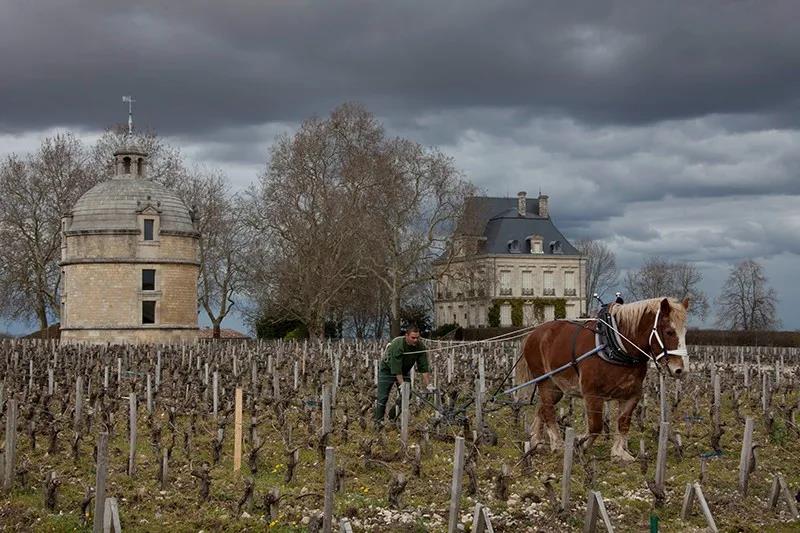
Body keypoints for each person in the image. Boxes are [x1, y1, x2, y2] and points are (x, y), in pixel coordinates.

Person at [374, 325, 433, 427]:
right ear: (406, 336)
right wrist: (402, 385)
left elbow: (423, 367)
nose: (416, 340)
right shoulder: (398, 344)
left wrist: (429, 385)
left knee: (407, 395)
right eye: (413, 338)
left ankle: (392, 416)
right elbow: (396, 367)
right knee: (383, 397)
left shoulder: (420, 347)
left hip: (404, 371)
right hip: (387, 369)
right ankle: (378, 423)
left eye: (417, 338)